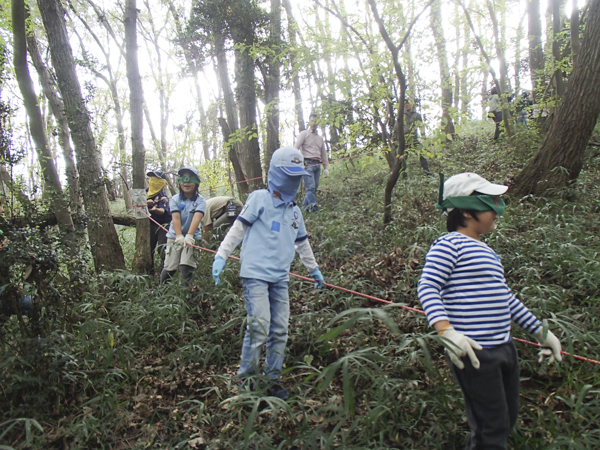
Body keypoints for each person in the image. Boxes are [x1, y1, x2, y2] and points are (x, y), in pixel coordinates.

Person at [417, 172, 563, 450]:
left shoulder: (488, 253)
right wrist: (447, 331)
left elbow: (506, 299)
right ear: (467, 212)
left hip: (505, 348)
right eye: (490, 203)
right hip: (474, 352)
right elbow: (427, 287)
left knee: (507, 416)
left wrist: (541, 333)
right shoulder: (449, 245)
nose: (498, 209)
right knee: (490, 427)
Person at [211, 147, 325, 400]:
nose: (293, 181)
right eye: (289, 175)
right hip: (255, 276)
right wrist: (221, 256)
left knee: (280, 330)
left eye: (297, 176)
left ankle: (272, 379)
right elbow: (238, 230)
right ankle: (247, 381)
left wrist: (313, 268)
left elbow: (302, 243)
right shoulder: (259, 198)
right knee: (259, 327)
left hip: (280, 279)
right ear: (276, 173)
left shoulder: (295, 211)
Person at [159, 167, 206, 286]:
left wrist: (189, 236)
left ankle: (186, 294)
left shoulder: (201, 201)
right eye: (184, 180)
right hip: (174, 236)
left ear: (196, 182)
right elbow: (175, 218)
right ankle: (161, 291)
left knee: (187, 266)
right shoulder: (175, 199)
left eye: (190, 180)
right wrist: (179, 236)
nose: (186, 183)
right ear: (180, 183)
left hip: (193, 237)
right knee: (170, 267)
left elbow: (197, 218)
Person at [294, 113, 329, 212]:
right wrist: (299, 162)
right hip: (307, 164)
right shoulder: (304, 134)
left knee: (314, 189)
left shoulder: (320, 138)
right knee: (310, 187)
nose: (314, 123)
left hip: (317, 165)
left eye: (316, 121)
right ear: (309, 121)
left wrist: (326, 168)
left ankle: (302, 210)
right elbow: (295, 149)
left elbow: (323, 154)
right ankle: (314, 208)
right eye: (312, 121)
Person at [146, 170, 171, 272]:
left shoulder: (163, 196)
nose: (153, 181)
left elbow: (162, 210)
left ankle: (164, 271)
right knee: (149, 248)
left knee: (162, 248)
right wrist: (145, 202)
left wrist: (155, 210)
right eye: (152, 178)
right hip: (149, 224)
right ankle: (149, 271)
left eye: (156, 179)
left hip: (163, 224)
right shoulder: (146, 192)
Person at [402, 100, 432, 177]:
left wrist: (423, 136)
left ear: (411, 104)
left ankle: (427, 171)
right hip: (404, 140)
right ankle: (403, 175)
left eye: (408, 103)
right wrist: (394, 138)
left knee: (421, 154)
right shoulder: (401, 116)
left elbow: (421, 126)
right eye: (405, 103)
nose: (406, 105)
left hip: (414, 139)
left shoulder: (416, 115)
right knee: (403, 158)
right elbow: (396, 128)